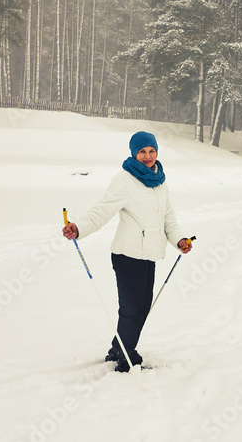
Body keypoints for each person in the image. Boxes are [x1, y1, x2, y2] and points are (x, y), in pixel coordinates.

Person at [62, 130, 192, 372]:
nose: (147, 156)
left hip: (149, 256)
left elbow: (168, 219)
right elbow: (102, 210)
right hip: (127, 256)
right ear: (134, 153)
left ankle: (117, 348)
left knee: (141, 310)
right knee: (132, 311)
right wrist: (78, 228)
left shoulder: (160, 181)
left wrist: (179, 240)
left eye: (152, 151)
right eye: (142, 151)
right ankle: (126, 359)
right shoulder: (124, 179)